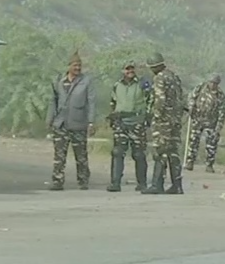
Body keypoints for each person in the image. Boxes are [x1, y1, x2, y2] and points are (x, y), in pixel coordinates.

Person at [46, 51, 97, 191]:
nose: (78, 68)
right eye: (75, 65)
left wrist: (91, 122)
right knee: (59, 155)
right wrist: (49, 120)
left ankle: (83, 180)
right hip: (60, 123)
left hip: (78, 123)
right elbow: (53, 102)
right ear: (69, 66)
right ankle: (57, 181)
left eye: (79, 66)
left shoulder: (86, 81)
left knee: (81, 155)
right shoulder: (58, 81)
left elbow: (91, 102)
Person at [142, 52, 185, 195]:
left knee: (160, 152)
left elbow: (160, 100)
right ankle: (177, 185)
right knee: (173, 152)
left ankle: (157, 184)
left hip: (163, 122)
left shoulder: (159, 78)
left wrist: (156, 116)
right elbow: (180, 99)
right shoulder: (174, 77)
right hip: (175, 120)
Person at [106, 60, 151, 192]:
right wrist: (113, 116)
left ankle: (142, 183)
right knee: (117, 152)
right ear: (123, 71)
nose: (130, 71)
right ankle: (115, 183)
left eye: (132, 69)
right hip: (121, 122)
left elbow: (150, 99)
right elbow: (112, 102)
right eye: (127, 69)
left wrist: (147, 117)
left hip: (137, 122)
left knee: (139, 154)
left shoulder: (142, 83)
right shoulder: (117, 85)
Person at [185, 74, 225, 172]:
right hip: (198, 119)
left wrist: (219, 127)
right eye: (211, 82)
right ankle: (190, 162)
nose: (212, 85)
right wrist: (191, 107)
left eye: (215, 83)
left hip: (211, 121)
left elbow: (222, 112)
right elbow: (191, 97)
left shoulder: (220, 95)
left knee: (211, 144)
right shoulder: (200, 88)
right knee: (193, 141)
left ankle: (209, 164)